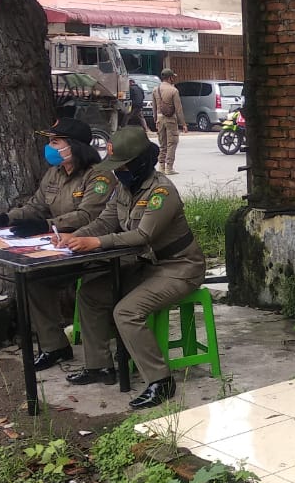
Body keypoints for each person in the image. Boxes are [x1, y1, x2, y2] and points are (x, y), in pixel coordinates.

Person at [55, 127, 205, 409]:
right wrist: (73, 236)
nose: (116, 173)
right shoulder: (124, 188)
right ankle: (99, 366)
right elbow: (104, 221)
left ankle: (161, 382)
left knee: (126, 312)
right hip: (146, 266)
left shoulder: (162, 192)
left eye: (121, 167)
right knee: (91, 294)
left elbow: (142, 236)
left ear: (138, 163)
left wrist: (96, 243)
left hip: (179, 268)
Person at [0, 117, 112, 370]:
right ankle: (54, 347)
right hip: (60, 249)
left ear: (74, 146)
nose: (50, 147)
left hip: (94, 250)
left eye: (55, 142)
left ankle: (99, 364)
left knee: (91, 296)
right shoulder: (54, 174)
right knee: (35, 281)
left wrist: (47, 225)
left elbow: (88, 215)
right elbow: (36, 206)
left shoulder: (98, 176)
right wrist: (5, 218)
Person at [151, 68, 187, 175]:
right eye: (173, 77)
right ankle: (169, 167)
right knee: (172, 142)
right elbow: (178, 109)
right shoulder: (173, 90)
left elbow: (154, 107)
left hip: (159, 119)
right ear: (170, 78)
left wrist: (155, 120)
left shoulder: (155, 89)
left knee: (162, 144)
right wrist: (183, 124)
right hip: (170, 119)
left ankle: (161, 166)